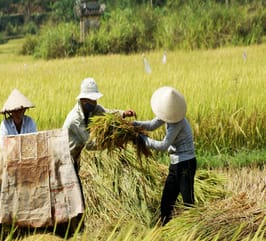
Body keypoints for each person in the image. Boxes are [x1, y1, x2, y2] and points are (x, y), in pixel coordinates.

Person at [62, 77, 135, 218]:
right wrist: (112, 142)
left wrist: (123, 114)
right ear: (83, 100)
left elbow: (107, 113)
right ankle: (73, 223)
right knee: (72, 192)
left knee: (76, 190)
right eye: (91, 100)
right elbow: (90, 144)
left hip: (76, 157)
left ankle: (78, 221)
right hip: (65, 158)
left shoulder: (92, 108)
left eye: (95, 100)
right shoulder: (75, 119)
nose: (95, 103)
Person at [133, 86, 196, 226]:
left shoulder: (177, 123)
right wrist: (132, 125)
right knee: (167, 201)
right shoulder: (168, 115)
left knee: (188, 202)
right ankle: (164, 229)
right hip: (175, 164)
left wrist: (143, 140)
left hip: (186, 164)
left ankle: (196, 232)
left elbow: (163, 146)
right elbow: (150, 125)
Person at [0, 89, 37, 220]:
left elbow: (33, 143)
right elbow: (5, 147)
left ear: (24, 110)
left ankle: (28, 215)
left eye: (20, 110)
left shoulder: (30, 122)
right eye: (15, 111)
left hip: (27, 160)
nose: (18, 113)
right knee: (0, 185)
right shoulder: (5, 125)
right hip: (7, 161)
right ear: (10, 112)